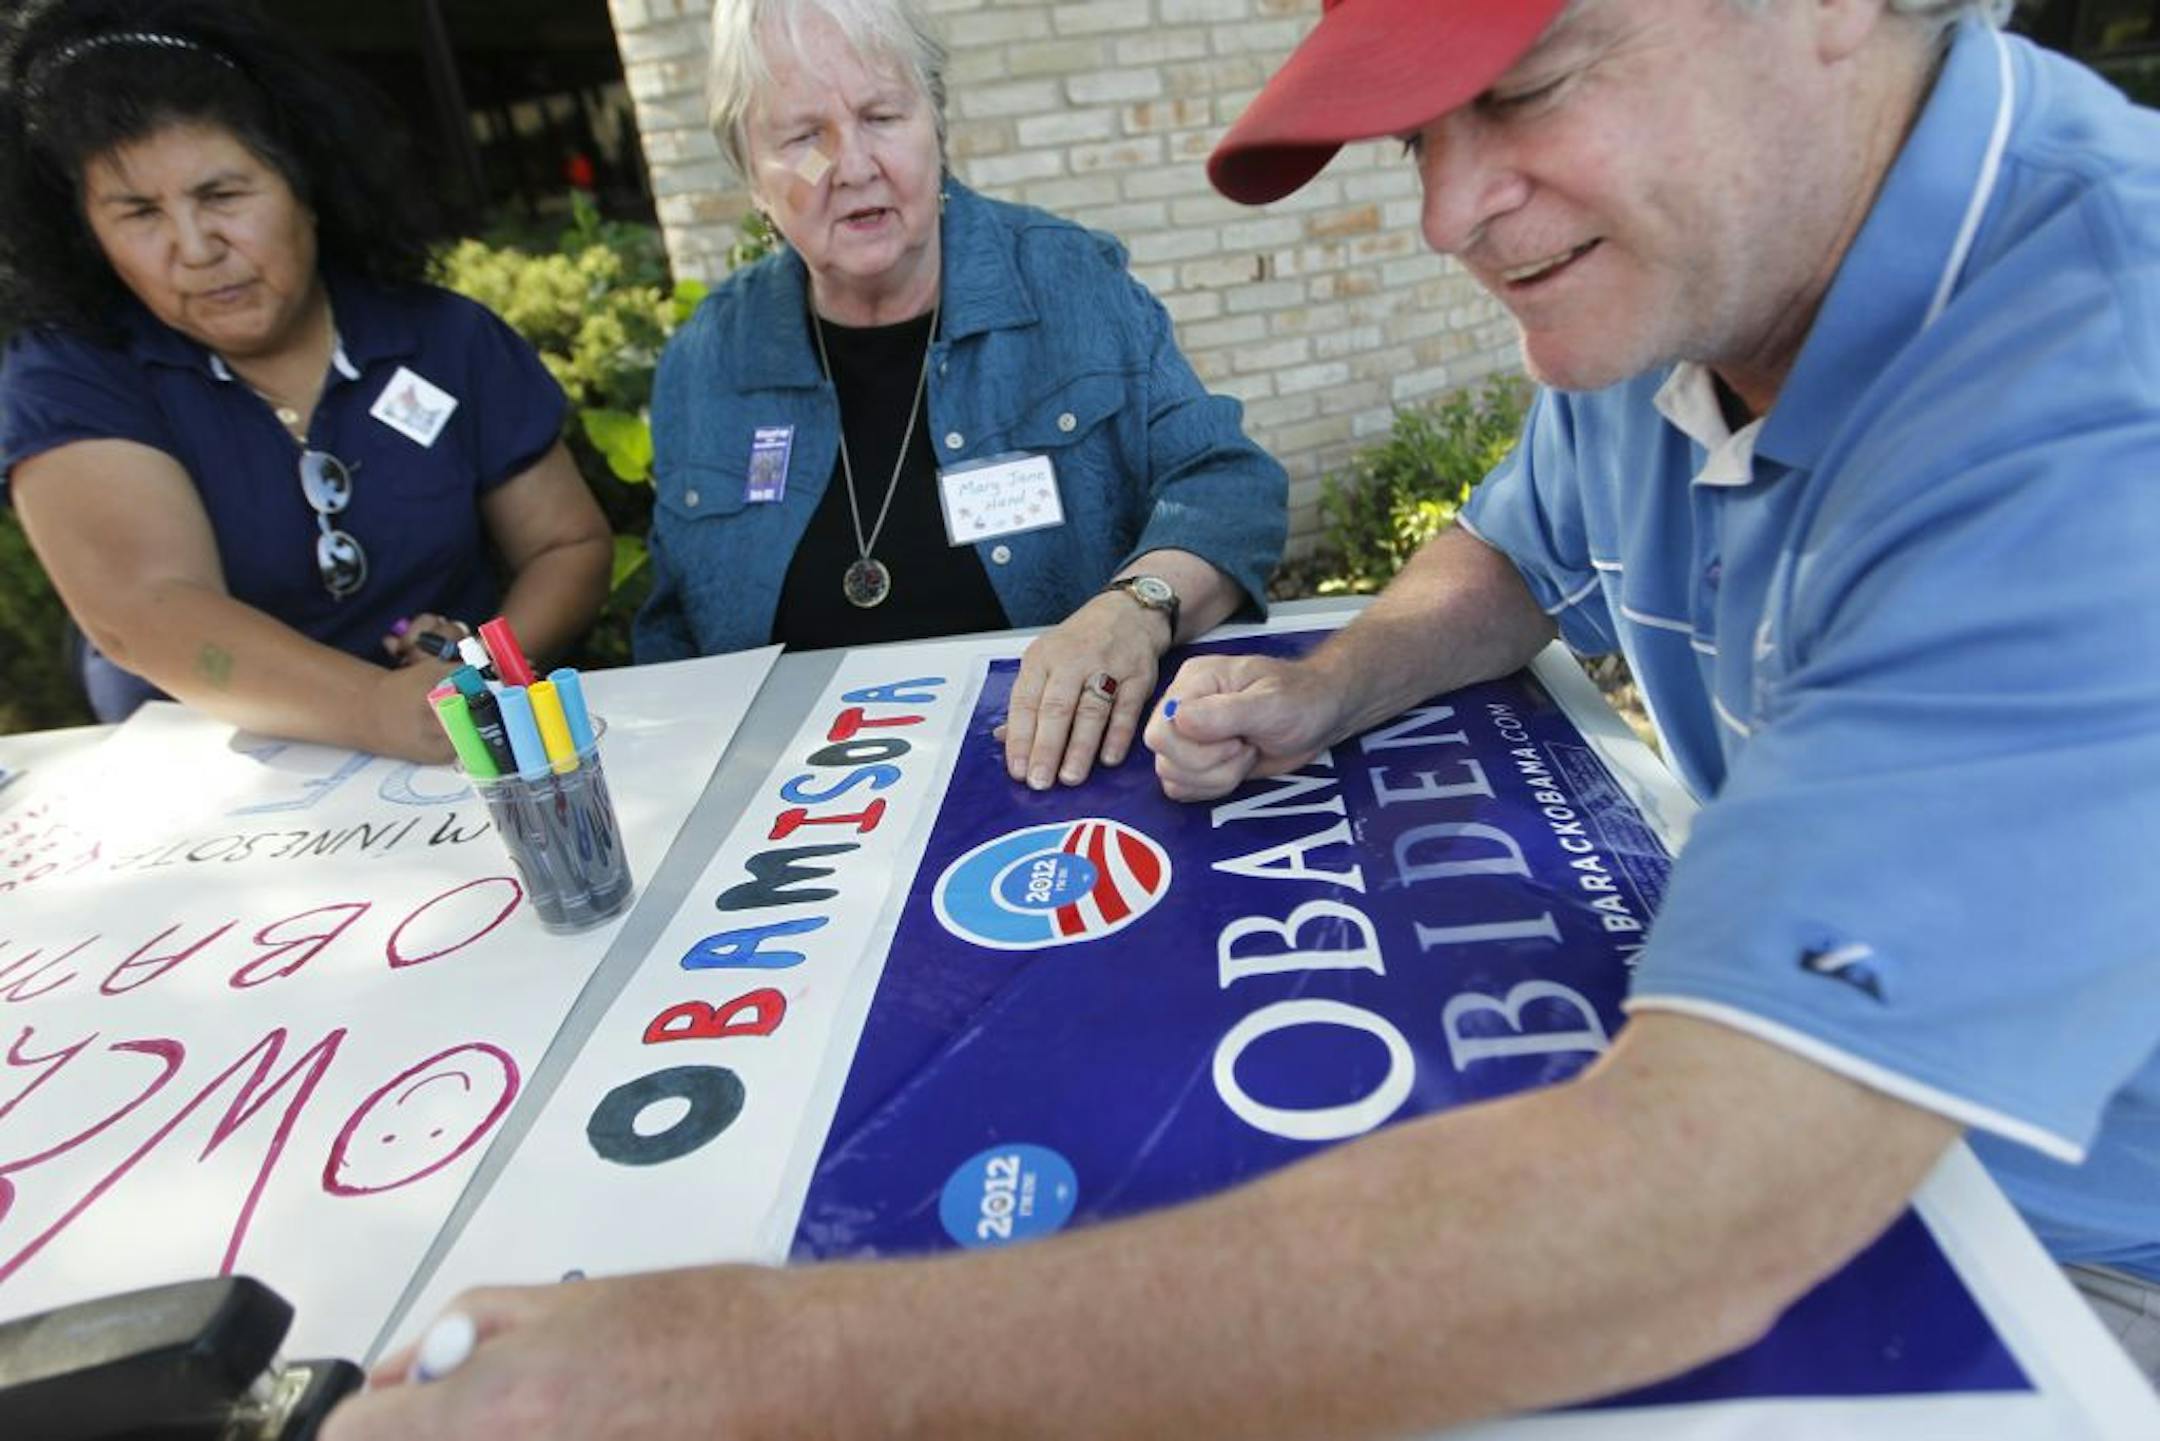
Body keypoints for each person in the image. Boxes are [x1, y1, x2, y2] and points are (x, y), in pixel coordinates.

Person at [321, 1, 2159, 1436]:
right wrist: (1326, 681)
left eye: (1522, 86)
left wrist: (735, 1370)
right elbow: (1518, 549)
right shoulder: (1712, 260)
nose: (1447, 212)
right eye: (1421, 131)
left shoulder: (2096, 389)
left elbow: (1705, 1205)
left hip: (2074, 1261)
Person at [632, 0, 1287, 791]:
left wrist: (1137, 606)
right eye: (803, 137)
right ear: (750, 174)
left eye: (882, 115)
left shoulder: (1066, 282)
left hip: (1066, 782)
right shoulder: (706, 363)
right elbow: (671, 641)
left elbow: (1230, 486)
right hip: (805, 817)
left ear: (935, 124)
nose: (853, 165)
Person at [0, 0, 612, 761]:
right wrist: (377, 710)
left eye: (223, 196)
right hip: (210, 805)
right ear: (86, 233)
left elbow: (567, 544)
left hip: (455, 768)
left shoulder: (444, 336)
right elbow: (145, 607)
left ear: (308, 185)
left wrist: (474, 672)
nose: (195, 247)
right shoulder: (70, 370)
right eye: (138, 212)